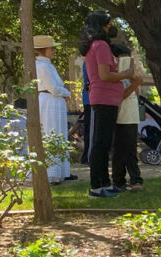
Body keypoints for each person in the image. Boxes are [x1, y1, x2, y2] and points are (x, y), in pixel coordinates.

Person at [79, 10, 133, 198]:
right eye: (107, 24)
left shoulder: (99, 46)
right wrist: (126, 75)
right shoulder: (100, 45)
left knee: (104, 143)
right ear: (100, 26)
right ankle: (96, 186)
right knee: (100, 143)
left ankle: (104, 183)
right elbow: (104, 75)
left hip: (108, 99)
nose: (110, 27)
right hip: (102, 99)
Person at [33, 35, 76, 184]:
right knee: (51, 133)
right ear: (44, 49)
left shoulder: (47, 64)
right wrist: (66, 93)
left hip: (54, 102)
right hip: (49, 101)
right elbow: (52, 88)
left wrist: (62, 93)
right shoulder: (42, 66)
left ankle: (62, 171)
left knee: (60, 134)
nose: (54, 50)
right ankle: (51, 173)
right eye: (51, 48)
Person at [111, 43, 146, 191]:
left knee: (131, 149)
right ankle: (119, 180)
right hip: (120, 115)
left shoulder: (129, 74)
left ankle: (135, 179)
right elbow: (122, 94)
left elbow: (135, 93)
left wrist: (135, 80)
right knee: (120, 150)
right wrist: (134, 83)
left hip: (130, 115)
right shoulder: (115, 75)